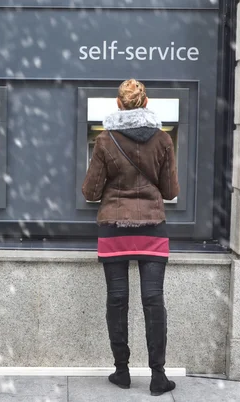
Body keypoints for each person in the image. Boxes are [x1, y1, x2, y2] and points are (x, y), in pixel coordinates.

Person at [82, 79, 180, 396]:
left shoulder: (105, 141)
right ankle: (158, 376)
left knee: (117, 298)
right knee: (153, 301)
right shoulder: (164, 140)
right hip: (152, 228)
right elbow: (170, 191)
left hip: (115, 227)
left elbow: (91, 192)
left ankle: (122, 371)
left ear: (118, 104)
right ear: (146, 102)